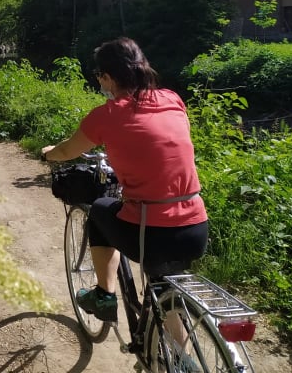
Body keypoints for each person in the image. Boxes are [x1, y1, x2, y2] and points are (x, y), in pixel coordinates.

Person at [41, 37, 208, 322]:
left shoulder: (106, 115)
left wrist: (48, 155)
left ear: (107, 77)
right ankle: (178, 361)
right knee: (163, 289)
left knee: (100, 210)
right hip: (195, 227)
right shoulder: (172, 99)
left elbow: (68, 150)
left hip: (150, 232)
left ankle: (104, 296)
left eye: (99, 76)